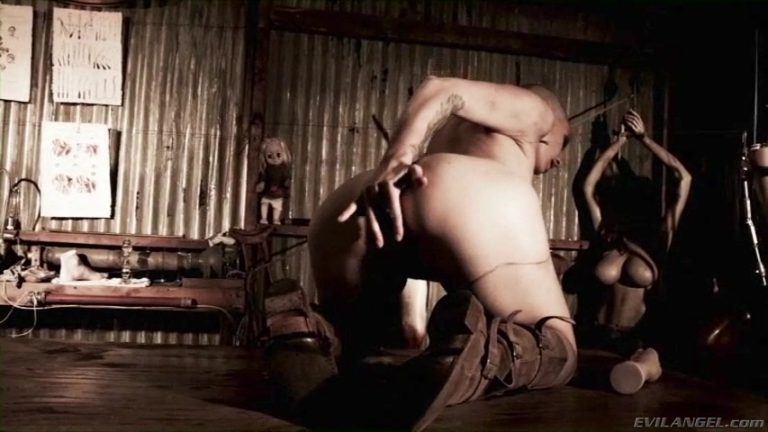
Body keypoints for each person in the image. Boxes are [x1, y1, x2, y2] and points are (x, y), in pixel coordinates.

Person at [265, 76, 573, 431]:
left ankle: (307, 331)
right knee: (560, 347)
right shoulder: (536, 110)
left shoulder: (458, 130)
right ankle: (486, 358)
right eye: (564, 141)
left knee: (359, 345)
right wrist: (400, 155)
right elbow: (439, 88)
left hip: (355, 202)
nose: (559, 160)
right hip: (459, 197)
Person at [580, 109, 691, 347]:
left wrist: (643, 139)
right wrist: (618, 143)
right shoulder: (608, 232)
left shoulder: (660, 236)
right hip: (597, 331)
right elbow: (588, 186)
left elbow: (684, 177)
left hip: (634, 337)